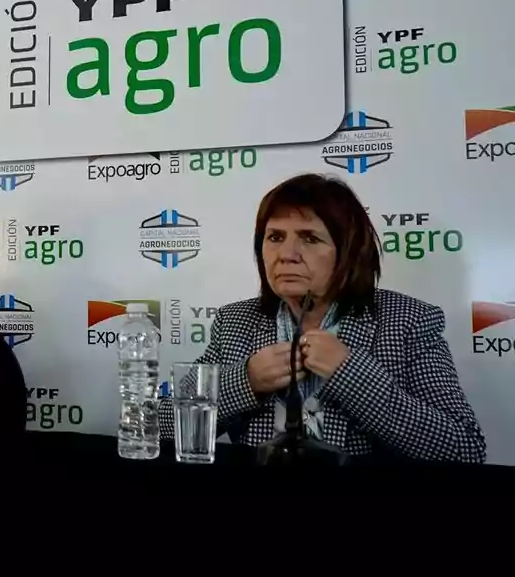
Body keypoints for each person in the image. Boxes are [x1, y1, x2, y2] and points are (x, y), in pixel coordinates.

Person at [160, 173, 485, 462]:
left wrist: (351, 373)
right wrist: (246, 381)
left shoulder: (407, 322)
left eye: (310, 238)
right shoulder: (237, 322)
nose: (286, 254)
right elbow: (159, 424)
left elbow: (463, 449)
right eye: (274, 237)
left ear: (348, 252)